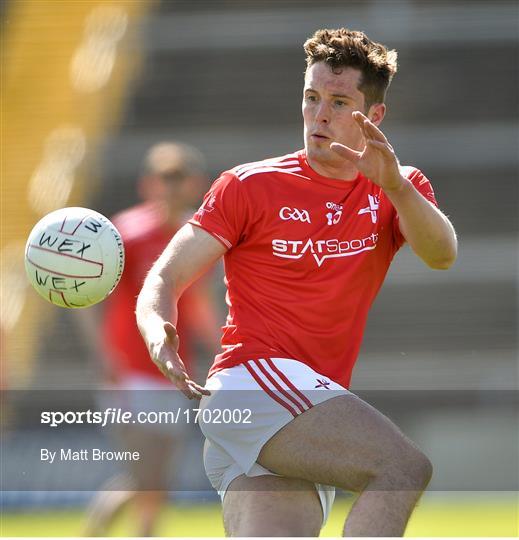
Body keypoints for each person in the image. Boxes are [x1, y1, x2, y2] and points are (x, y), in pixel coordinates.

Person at [136, 29, 457, 537]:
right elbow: (167, 274)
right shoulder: (248, 185)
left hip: (299, 412)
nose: (319, 114)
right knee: (402, 469)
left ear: (372, 118)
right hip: (251, 384)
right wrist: (157, 328)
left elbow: (442, 255)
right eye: (311, 97)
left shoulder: (400, 186)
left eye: (338, 101)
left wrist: (394, 185)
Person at [82, 142, 221, 537]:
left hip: (175, 373)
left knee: (157, 481)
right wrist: (103, 354)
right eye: (165, 176)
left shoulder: (198, 236)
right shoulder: (124, 233)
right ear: (148, 183)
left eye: (179, 176)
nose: (171, 186)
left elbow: (199, 304)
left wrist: (221, 349)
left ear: (195, 184)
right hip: (131, 372)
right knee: (142, 475)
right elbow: (89, 300)